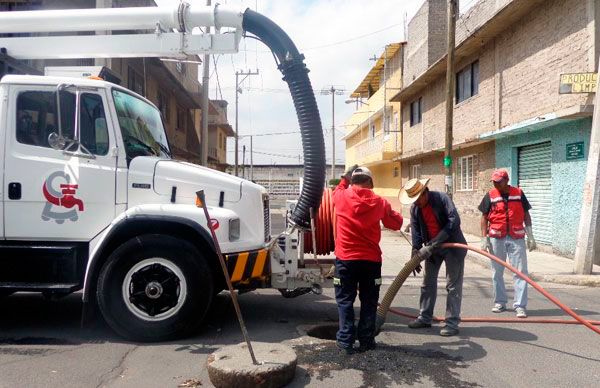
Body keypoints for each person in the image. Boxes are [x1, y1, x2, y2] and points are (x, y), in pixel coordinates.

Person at [332, 164, 404, 354]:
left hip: (345, 260)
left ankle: (345, 342)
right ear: (370, 182)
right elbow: (395, 224)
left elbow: (339, 187)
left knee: (345, 301)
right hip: (371, 262)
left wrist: (344, 178)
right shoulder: (380, 202)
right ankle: (366, 340)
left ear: (352, 182)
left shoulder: (340, 197)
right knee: (369, 301)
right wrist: (394, 212)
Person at [399, 178, 467, 336]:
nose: (416, 203)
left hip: (452, 246)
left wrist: (435, 242)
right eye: (413, 201)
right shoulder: (415, 209)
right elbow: (415, 232)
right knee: (427, 283)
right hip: (432, 249)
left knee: (453, 286)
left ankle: (451, 323)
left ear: (424, 193)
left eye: (417, 199)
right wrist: (415, 255)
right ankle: (425, 317)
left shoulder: (442, 199)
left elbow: (454, 221)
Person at [479, 169, 536, 318]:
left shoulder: (518, 193)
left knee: (520, 272)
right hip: (496, 238)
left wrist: (530, 236)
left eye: (499, 181)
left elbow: (526, 215)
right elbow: (484, 217)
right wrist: (483, 238)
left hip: (516, 237)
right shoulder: (490, 195)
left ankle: (520, 306)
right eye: (494, 182)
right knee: (497, 272)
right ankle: (500, 302)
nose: (496, 184)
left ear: (506, 180)